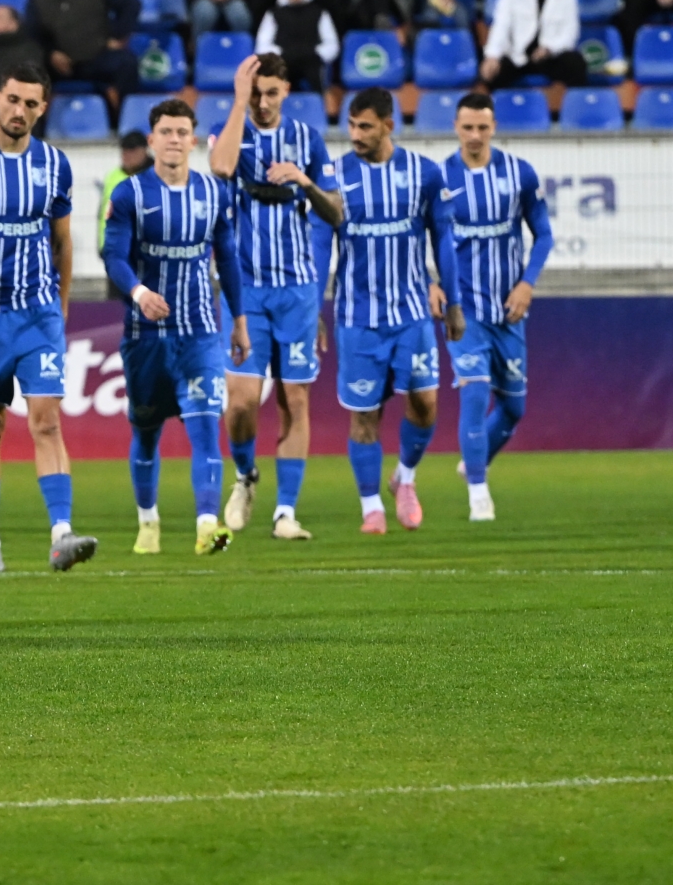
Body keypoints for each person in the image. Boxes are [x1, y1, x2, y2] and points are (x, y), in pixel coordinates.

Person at [0, 66, 97, 573]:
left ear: (43, 109)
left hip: (38, 314)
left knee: (46, 419)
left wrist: (61, 304)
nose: (20, 111)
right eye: (13, 100)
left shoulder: (54, 164)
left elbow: (62, 241)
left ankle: (62, 533)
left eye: (31, 104)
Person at [101, 98, 247, 557]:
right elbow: (113, 256)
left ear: (193, 140)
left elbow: (228, 259)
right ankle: (148, 522)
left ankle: (207, 526)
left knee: (206, 428)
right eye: (166, 132)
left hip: (199, 333)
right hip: (145, 337)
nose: (174, 140)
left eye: (182, 132)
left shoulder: (214, 193)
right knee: (146, 433)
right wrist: (139, 293)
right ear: (152, 140)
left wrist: (239, 321)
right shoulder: (129, 194)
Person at [209, 54, 341, 540]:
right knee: (241, 402)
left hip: (297, 291)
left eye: (271, 93)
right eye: (256, 93)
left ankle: (285, 512)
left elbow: (336, 213)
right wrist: (238, 102)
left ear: (286, 90)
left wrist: (305, 181)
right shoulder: (231, 132)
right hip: (245, 290)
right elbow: (221, 168)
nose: (263, 103)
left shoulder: (308, 140)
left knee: (294, 399)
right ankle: (246, 475)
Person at [330, 88, 464, 534]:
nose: (355, 135)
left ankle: (404, 478)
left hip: (411, 314)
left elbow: (443, 239)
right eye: (351, 125)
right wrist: (314, 307)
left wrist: (453, 301)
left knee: (425, 404)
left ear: (389, 125)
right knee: (364, 415)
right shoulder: (336, 176)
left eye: (365, 126)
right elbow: (319, 245)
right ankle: (371, 507)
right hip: (357, 319)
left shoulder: (424, 173)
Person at [444, 94, 553, 524]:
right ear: (456, 127)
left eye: (482, 128)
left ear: (493, 128)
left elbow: (543, 234)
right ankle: (479, 494)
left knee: (513, 410)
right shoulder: (440, 179)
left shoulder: (519, 173)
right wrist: (434, 284)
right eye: (467, 127)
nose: (474, 136)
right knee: (474, 392)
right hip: (464, 310)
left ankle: (475, 459)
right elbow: (422, 237)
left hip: (508, 311)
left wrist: (527, 283)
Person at [24, 0, 140, 107]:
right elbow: (33, 31)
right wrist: (51, 53)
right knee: (27, 68)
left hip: (96, 56)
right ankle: (36, 120)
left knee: (127, 64)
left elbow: (131, 4)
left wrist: (118, 35)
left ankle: (126, 116)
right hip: (59, 62)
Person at [479, 0, 587, 89]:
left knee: (576, 63)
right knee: (493, 71)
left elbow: (570, 35)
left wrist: (549, 48)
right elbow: (501, 25)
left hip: (548, 57)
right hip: (518, 56)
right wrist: (492, 56)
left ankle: (574, 102)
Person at [254, 0, 340, 92]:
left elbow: (332, 44)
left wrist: (316, 53)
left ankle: (319, 100)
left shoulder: (319, 12)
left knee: (316, 77)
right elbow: (262, 45)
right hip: (283, 60)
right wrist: (281, 53)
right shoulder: (273, 13)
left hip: (312, 60)